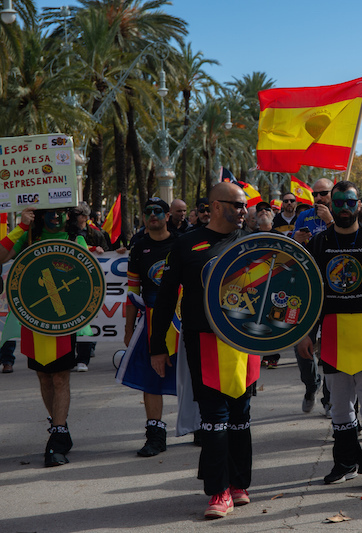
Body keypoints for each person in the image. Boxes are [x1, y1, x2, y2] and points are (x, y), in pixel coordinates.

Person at [150, 182, 253, 519]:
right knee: (214, 419)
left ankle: (239, 484)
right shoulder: (186, 244)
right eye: (237, 205)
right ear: (215, 205)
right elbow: (165, 298)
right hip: (203, 340)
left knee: (239, 418)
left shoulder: (253, 243)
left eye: (244, 206)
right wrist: (157, 346)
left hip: (245, 343)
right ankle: (218, 492)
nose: (243, 211)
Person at [298, 180, 362, 492]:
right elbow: (311, 291)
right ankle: (344, 464)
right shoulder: (319, 242)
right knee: (340, 405)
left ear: (358, 205)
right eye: (338, 202)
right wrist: (306, 333)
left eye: (349, 202)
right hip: (332, 330)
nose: (343, 208)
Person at [0, 207, 89, 467]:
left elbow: (88, 277)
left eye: (60, 212)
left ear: (68, 215)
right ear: (40, 215)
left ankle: (58, 436)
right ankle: (60, 428)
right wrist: (20, 227)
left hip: (63, 320)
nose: (55, 217)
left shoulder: (76, 240)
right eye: (49, 212)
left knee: (60, 377)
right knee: (44, 376)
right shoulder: (28, 237)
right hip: (32, 318)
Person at [122, 197, 178, 457]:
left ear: (168, 216)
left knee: (195, 375)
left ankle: (202, 426)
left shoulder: (182, 243)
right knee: (151, 380)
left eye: (158, 211)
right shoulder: (138, 248)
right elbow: (133, 293)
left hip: (182, 322)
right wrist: (129, 329)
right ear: (143, 217)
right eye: (148, 212)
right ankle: (155, 435)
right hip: (152, 322)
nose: (153, 215)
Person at [291, 178, 334, 414]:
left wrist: (329, 221)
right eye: (315, 194)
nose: (318, 198)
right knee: (301, 345)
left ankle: (329, 398)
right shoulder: (304, 216)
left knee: (329, 347)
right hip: (307, 289)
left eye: (323, 193)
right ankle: (311, 386)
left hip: (333, 290)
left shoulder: (339, 216)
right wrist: (294, 240)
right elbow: (291, 249)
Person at [67, 202, 110, 372]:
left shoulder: (97, 235)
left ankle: (83, 358)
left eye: (76, 214)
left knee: (86, 323)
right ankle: (70, 358)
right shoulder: (66, 234)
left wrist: (102, 251)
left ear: (84, 217)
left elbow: (107, 256)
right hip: (69, 284)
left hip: (88, 285)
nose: (72, 217)